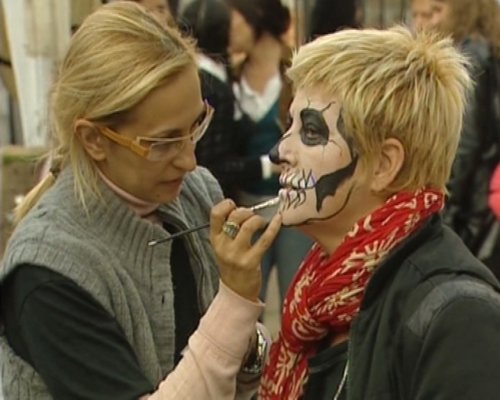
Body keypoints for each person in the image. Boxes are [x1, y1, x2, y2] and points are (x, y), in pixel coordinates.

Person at [0, 3, 282, 399]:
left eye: (195, 126)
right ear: (94, 140)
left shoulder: (195, 193)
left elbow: (237, 376)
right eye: (163, 142)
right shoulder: (49, 272)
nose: (189, 160)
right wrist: (235, 304)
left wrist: (249, 344)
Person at [249, 26, 500, 399]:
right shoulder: (317, 297)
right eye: (290, 126)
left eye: (311, 132)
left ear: (383, 164)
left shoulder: (458, 316)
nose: (279, 152)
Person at [224, 0, 313, 303]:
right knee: (246, 302)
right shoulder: (230, 79)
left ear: (255, 18)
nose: (227, 27)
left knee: (295, 299)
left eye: (234, 18)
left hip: (294, 209)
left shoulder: (297, 74)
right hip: (247, 210)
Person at [430, 0, 500, 278]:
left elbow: (467, 141)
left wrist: (446, 200)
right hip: (485, 193)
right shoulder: (490, 50)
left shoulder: (471, 56)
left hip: (473, 199)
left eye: (438, 10)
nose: (432, 20)